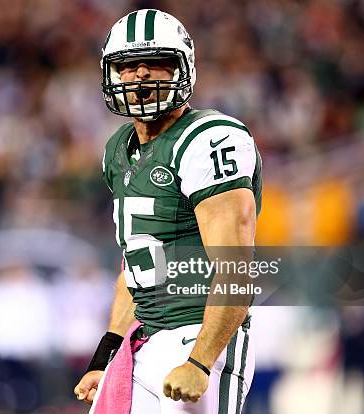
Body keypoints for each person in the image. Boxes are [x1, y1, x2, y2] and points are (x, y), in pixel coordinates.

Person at [74, 9, 262, 414]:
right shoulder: (118, 149)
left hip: (199, 333)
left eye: (156, 62)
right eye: (127, 65)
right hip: (144, 338)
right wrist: (105, 352)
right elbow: (138, 264)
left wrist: (200, 360)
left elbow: (237, 268)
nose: (140, 75)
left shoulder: (208, 139)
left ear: (185, 68)